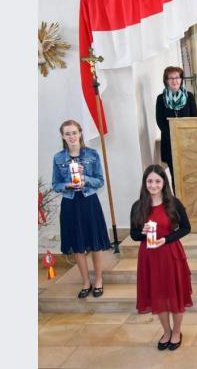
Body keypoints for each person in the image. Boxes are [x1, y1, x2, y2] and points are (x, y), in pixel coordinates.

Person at [129, 164, 193, 351]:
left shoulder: (173, 203)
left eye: (157, 181)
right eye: (149, 181)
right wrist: (143, 233)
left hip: (170, 253)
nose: (153, 185)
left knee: (175, 293)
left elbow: (186, 228)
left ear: (164, 183)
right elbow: (133, 235)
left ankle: (177, 331)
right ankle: (166, 330)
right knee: (158, 294)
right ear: (144, 183)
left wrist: (164, 239)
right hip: (149, 257)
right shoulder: (138, 206)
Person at [51, 120, 112, 299]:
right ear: (62, 136)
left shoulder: (92, 155)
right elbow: (55, 184)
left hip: (89, 201)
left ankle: (98, 279)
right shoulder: (58, 158)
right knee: (77, 244)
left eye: (74, 133)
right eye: (67, 134)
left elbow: (100, 180)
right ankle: (86, 282)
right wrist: (67, 185)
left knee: (95, 242)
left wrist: (85, 179)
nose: (71, 137)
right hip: (70, 203)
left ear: (80, 133)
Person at [155, 66, 197, 192]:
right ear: (166, 80)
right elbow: (160, 122)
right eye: (171, 78)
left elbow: (194, 118)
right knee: (176, 176)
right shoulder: (160, 99)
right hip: (170, 144)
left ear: (181, 79)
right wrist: (174, 137)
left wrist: (186, 137)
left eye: (177, 77)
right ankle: (178, 205)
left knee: (190, 175)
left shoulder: (189, 96)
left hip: (188, 143)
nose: (175, 81)